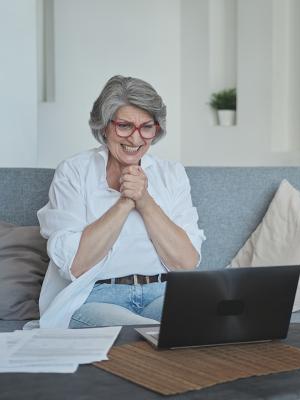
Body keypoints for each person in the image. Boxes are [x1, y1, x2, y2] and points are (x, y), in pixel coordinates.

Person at [37, 75, 205, 329]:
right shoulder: (73, 171)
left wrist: (144, 201)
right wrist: (125, 202)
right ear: (104, 126)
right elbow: (76, 265)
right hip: (95, 297)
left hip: (162, 292)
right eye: (125, 126)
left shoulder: (172, 174)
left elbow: (186, 263)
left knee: (197, 318)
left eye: (146, 127)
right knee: (136, 334)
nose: (136, 139)